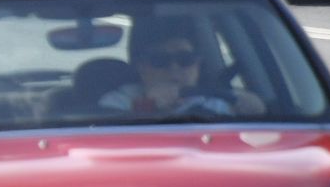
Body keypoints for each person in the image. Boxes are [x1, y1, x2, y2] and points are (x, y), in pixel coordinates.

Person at [101, 19, 263, 119]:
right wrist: (148, 108)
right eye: (160, 61)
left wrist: (243, 100)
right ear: (141, 68)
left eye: (185, 60)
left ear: (198, 64)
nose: (174, 68)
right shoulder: (119, 102)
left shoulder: (219, 100)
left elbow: (260, 116)